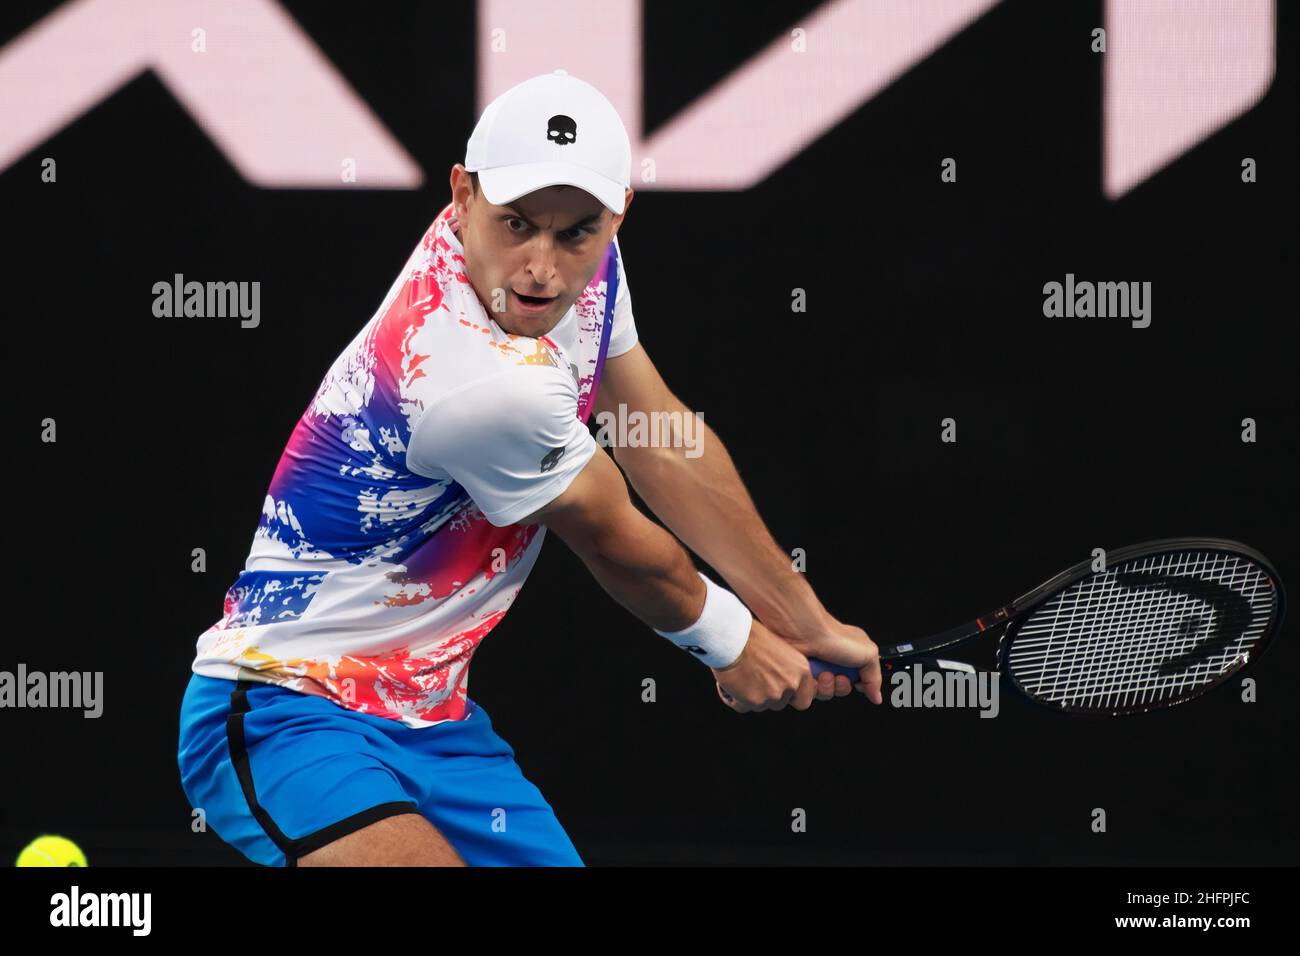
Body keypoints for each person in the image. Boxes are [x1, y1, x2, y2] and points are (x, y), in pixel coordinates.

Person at [177, 70, 881, 867]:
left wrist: (802, 617)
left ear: (617, 217)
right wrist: (735, 644)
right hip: (285, 708)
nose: (541, 267)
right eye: (516, 224)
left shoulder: (586, 271)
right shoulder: (474, 376)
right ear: (461, 195)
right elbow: (617, 540)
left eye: (576, 232)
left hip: (435, 723)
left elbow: (655, 435)